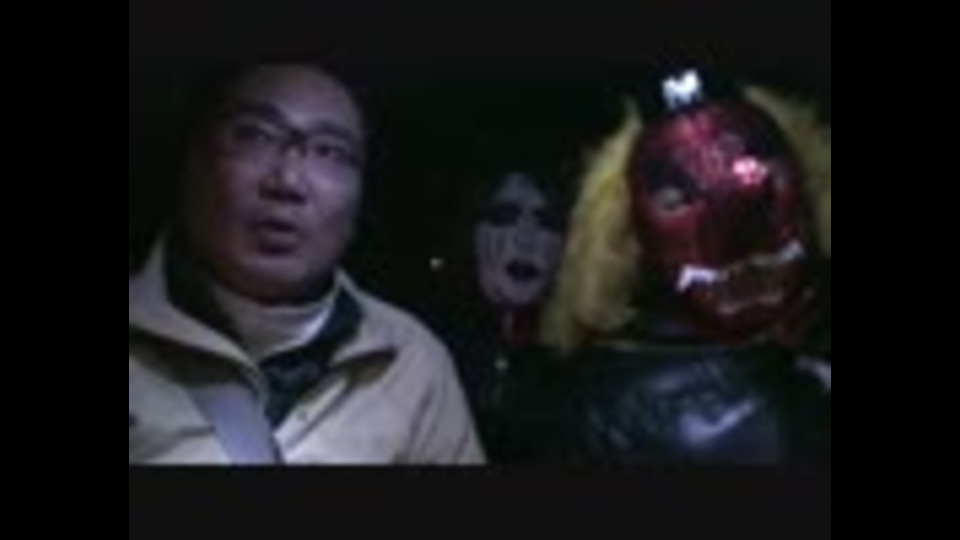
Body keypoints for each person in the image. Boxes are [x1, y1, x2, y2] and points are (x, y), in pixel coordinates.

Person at [129, 62, 485, 464]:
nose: (287, 182)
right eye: (254, 135)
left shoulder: (411, 362)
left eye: (330, 152)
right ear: (193, 161)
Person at [538, 68, 831, 463]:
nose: (733, 228)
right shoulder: (755, 415)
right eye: (676, 199)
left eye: (759, 174)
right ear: (626, 230)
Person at [427, 159, 574, 461]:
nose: (526, 239)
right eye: (505, 216)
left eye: (548, 221)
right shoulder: (423, 347)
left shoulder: (583, 368)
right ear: (473, 234)